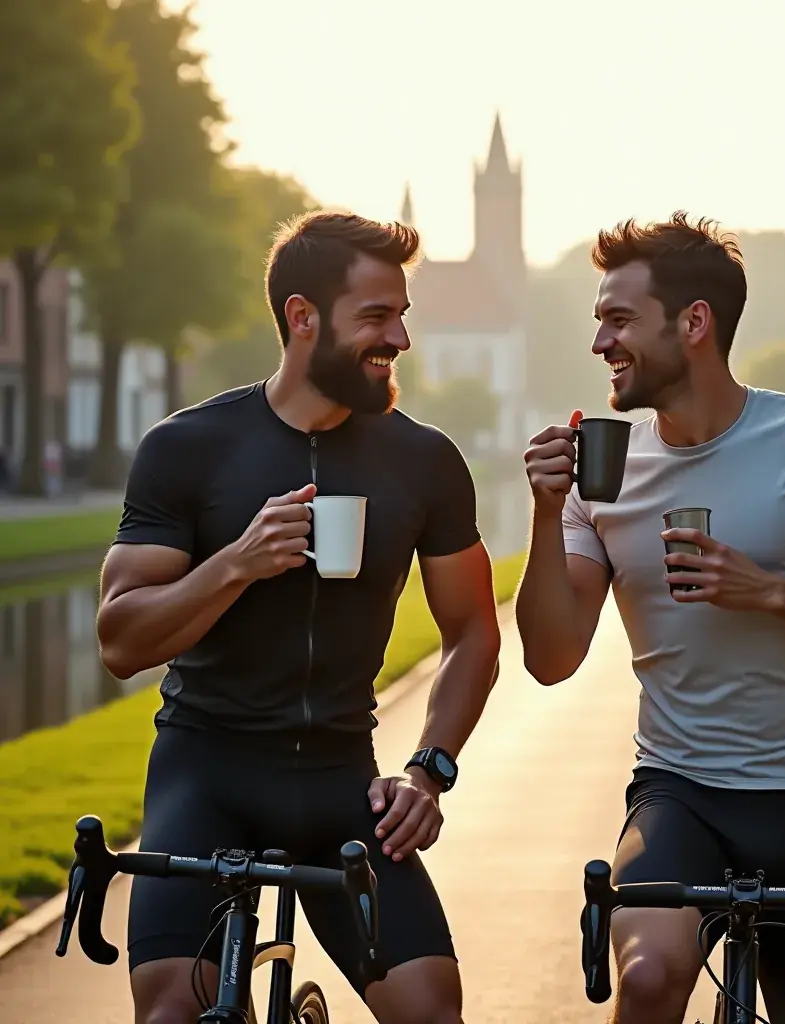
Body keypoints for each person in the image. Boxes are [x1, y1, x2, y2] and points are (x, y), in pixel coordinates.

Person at [516, 212, 785, 1024]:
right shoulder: (600, 473)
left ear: (694, 323)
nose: (600, 342)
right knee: (646, 978)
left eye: (618, 320)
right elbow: (550, 656)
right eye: (598, 321)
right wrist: (548, 513)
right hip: (679, 794)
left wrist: (771, 592)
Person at [97, 210, 501, 1024]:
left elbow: (473, 634)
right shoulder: (189, 446)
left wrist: (429, 769)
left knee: (431, 1008)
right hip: (206, 773)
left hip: (340, 783)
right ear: (301, 317)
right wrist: (235, 564)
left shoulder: (424, 460)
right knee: (173, 1013)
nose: (401, 340)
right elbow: (120, 639)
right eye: (377, 318)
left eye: (403, 315)